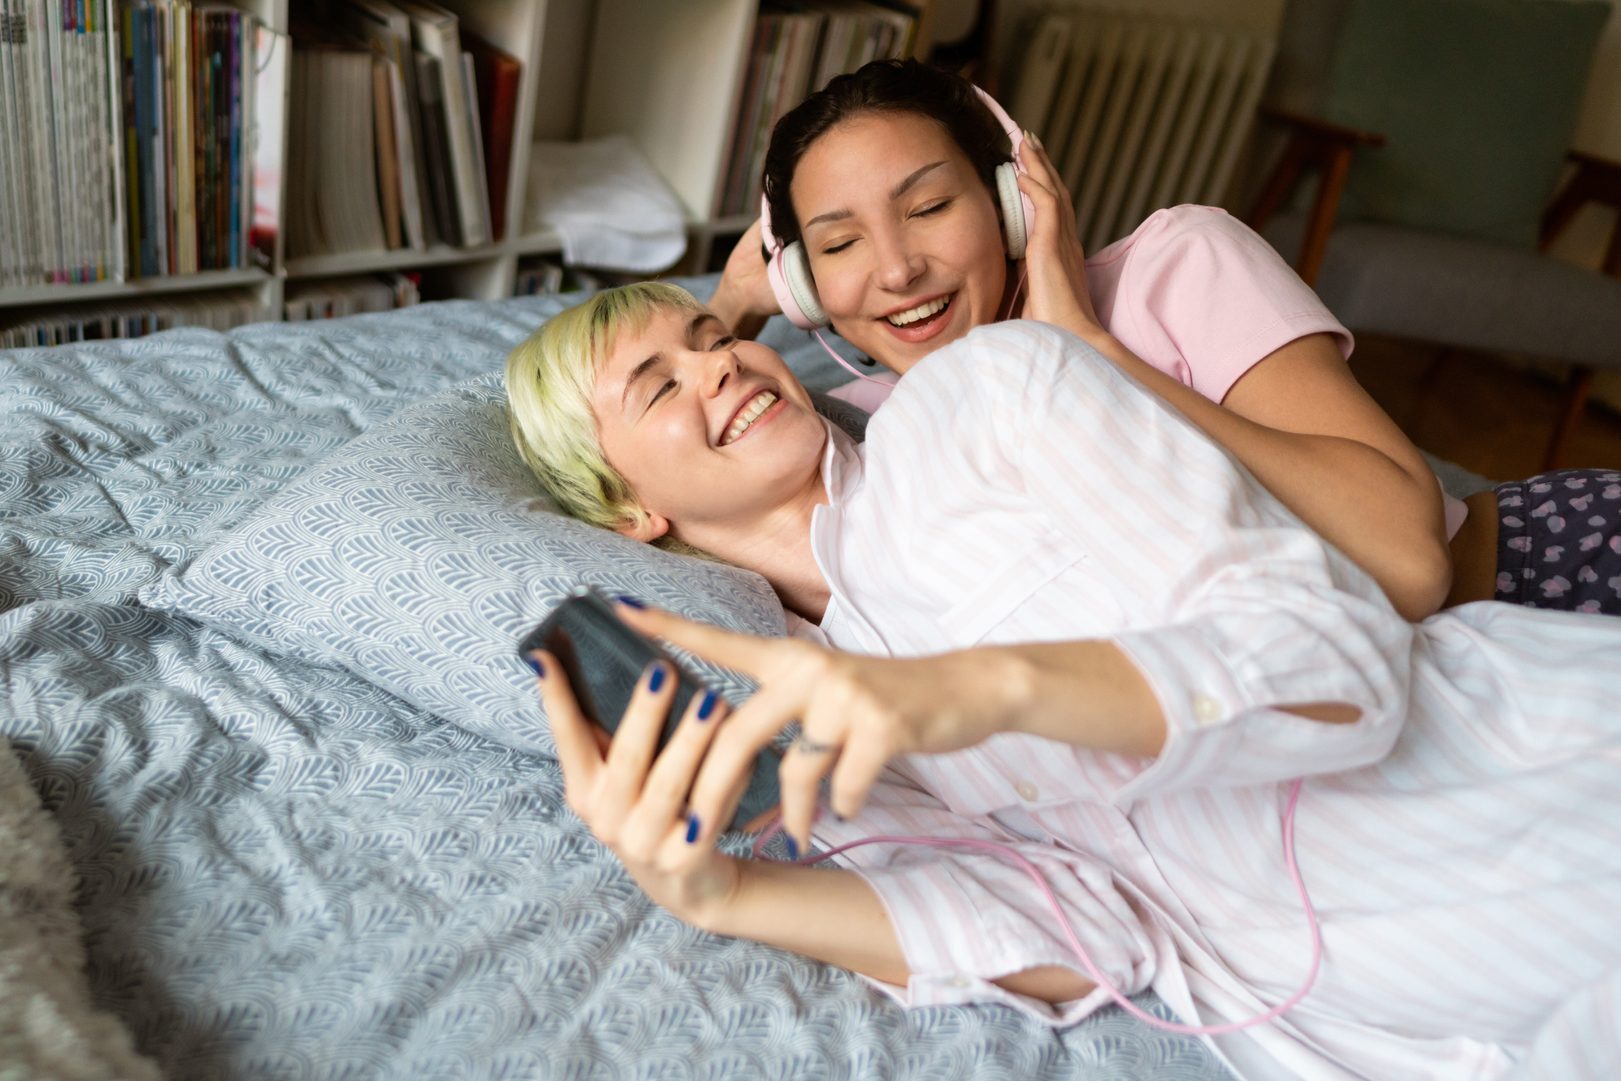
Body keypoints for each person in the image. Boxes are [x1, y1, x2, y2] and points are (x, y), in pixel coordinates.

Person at [504, 281, 1621, 1080]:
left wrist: (981, 690)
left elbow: (1339, 649)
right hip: (1382, 1026)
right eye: (658, 385)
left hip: (1525, 790)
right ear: (626, 511)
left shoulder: (983, 402)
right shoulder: (817, 714)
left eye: (710, 334)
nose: (719, 363)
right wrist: (725, 896)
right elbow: (1088, 939)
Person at [705, 58, 1621, 618]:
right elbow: (618, 425)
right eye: (838, 245)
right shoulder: (880, 430)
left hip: (1540, 577)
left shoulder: (1177, 265)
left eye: (931, 206)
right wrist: (735, 303)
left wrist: (1088, 354)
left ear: (1011, 202)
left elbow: (1409, 566)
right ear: (806, 287)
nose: (897, 269)